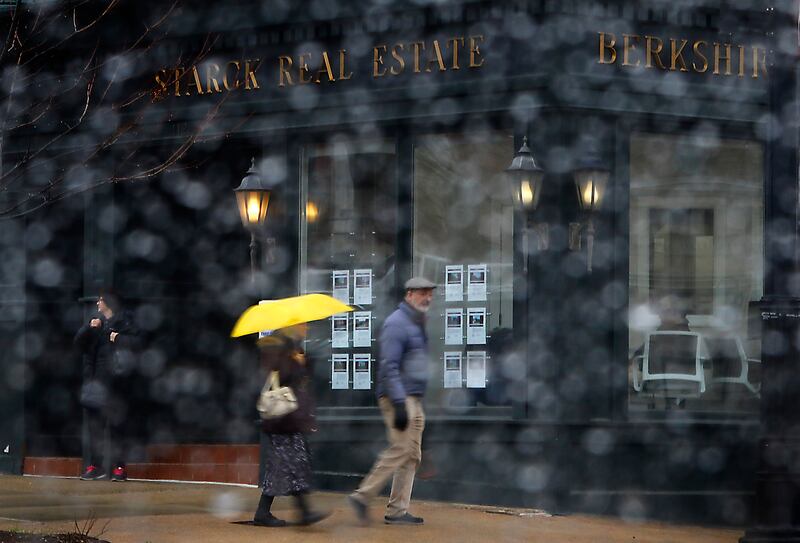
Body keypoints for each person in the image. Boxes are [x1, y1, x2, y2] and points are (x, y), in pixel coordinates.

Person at [348, 276, 435, 526]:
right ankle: (362, 496)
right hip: (400, 397)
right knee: (401, 449)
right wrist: (398, 403)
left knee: (412, 455)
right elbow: (389, 365)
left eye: (429, 293)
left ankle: (398, 510)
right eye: (422, 293)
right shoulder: (397, 323)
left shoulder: (416, 322)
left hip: (412, 397)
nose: (427, 297)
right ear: (409, 295)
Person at [253, 324, 330, 527]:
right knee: (289, 464)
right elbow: (284, 376)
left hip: (289, 418)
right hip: (280, 419)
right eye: (302, 325)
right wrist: (298, 363)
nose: (306, 328)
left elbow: (303, 379)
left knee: (291, 464)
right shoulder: (277, 346)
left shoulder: (294, 347)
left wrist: (304, 362)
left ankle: (299, 511)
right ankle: (283, 512)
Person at [74, 290, 141, 482]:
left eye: (101, 300)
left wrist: (119, 338)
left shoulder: (125, 321)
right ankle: (96, 466)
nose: (97, 303)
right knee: (95, 428)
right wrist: (89, 328)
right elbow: (78, 343)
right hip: (96, 385)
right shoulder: (95, 321)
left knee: (117, 426)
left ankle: (120, 467)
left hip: (117, 384)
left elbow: (139, 344)